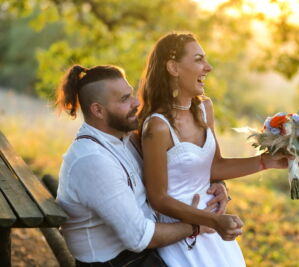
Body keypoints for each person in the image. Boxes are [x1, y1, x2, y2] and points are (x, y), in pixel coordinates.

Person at [55, 64, 242, 266]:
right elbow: (140, 238)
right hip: (117, 262)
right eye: (124, 99)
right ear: (98, 110)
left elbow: (182, 166)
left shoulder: (124, 139)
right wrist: (198, 225)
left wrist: (219, 184)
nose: (136, 102)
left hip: (142, 252)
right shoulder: (92, 160)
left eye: (131, 94)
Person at [138, 32, 292, 267]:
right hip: (181, 233)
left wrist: (265, 162)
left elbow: (215, 166)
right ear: (173, 67)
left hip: (213, 229)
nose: (208, 67)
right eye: (199, 59)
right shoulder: (158, 126)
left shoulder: (204, 109)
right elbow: (158, 198)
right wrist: (210, 221)